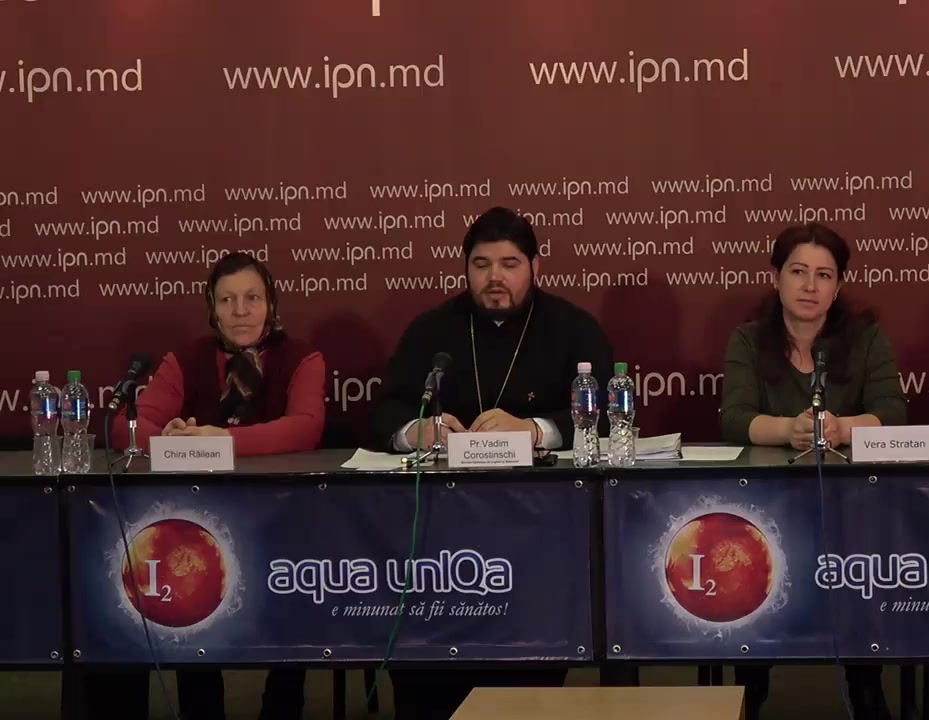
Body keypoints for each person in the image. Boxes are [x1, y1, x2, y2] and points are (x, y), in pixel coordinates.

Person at [370, 206, 612, 719]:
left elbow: (608, 418)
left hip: (539, 531)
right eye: (481, 265)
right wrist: (417, 430)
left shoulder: (572, 329)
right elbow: (382, 412)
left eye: (509, 263)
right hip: (440, 543)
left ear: (535, 267)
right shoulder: (431, 332)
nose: (494, 277)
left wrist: (535, 430)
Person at [88, 251, 325, 720]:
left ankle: (283, 704)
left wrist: (222, 441)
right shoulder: (186, 360)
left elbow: (305, 427)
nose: (241, 311)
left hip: (281, 514)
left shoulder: (302, 358)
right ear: (212, 309)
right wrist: (172, 441)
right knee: (183, 571)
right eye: (227, 300)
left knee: (296, 572)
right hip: (201, 517)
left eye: (252, 298)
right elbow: (124, 428)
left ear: (272, 305)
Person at [719, 223, 908, 720]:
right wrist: (790, 429)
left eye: (824, 275)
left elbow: (892, 413)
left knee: (864, 564)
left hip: (851, 506)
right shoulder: (748, 339)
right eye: (798, 272)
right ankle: (751, 687)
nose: (809, 285)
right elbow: (734, 420)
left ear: (838, 285)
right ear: (776, 277)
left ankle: (866, 683)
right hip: (769, 503)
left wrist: (841, 428)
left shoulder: (866, 337)